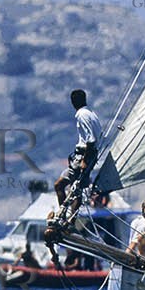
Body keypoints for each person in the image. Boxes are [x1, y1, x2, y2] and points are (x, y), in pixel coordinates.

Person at [53, 89, 105, 221]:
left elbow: (91, 140)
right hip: (90, 156)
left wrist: (84, 161)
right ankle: (70, 219)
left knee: (60, 186)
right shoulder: (92, 114)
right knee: (77, 189)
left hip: (83, 156)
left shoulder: (81, 115)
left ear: (73, 102)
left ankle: (64, 218)